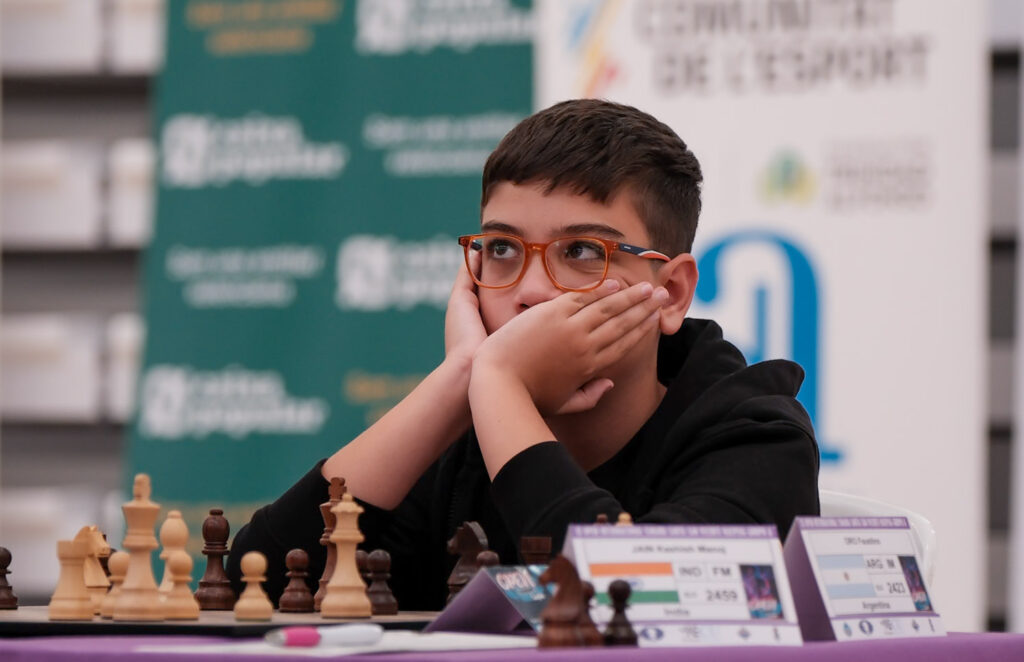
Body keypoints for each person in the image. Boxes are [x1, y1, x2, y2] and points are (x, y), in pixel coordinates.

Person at [226, 99, 820, 607]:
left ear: (670, 292)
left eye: (583, 251)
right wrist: (462, 377)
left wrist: (501, 385)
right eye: (503, 249)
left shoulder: (759, 439)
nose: (531, 291)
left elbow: (631, 605)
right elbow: (256, 587)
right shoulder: (464, 436)